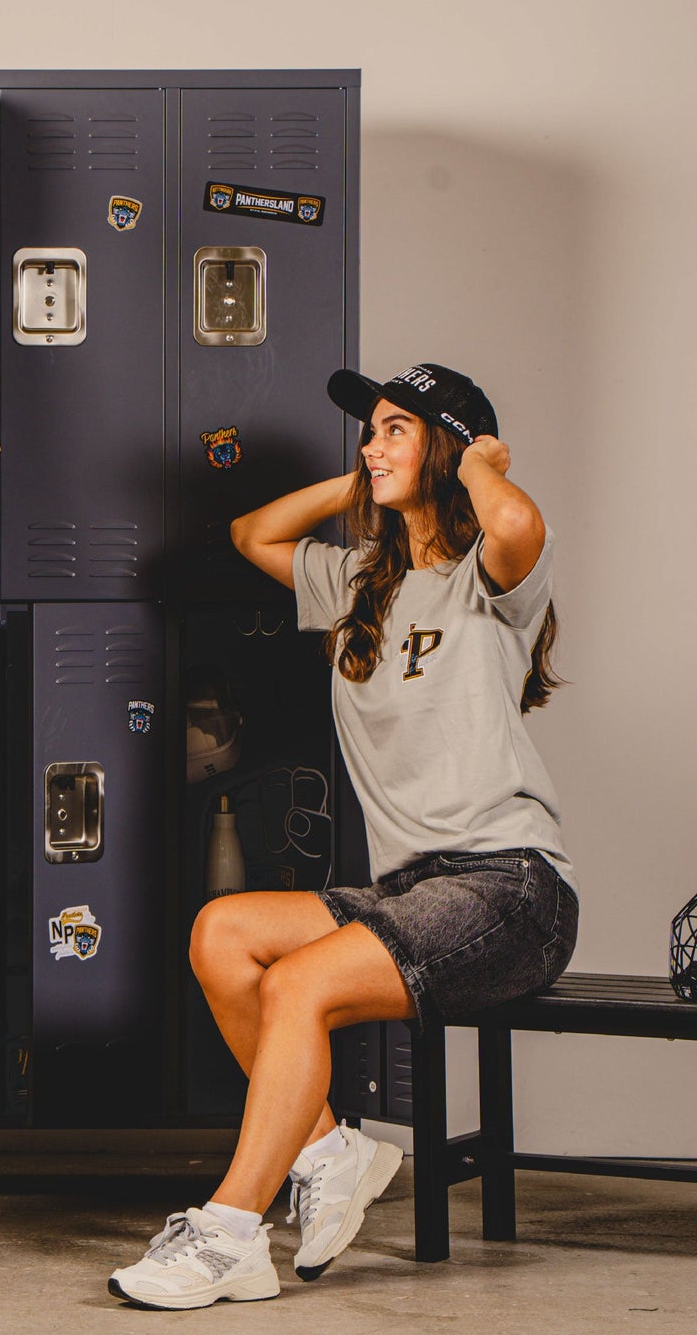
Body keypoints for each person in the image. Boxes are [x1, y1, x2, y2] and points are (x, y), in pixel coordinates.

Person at [107, 364, 573, 1309]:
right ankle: (329, 1151)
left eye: (396, 430)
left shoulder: (490, 577)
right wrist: (365, 486)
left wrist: (478, 462)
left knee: (298, 984)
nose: (370, 443)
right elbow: (253, 535)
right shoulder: (358, 580)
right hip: (408, 893)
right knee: (220, 935)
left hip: (510, 890)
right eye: (370, 430)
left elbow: (517, 525)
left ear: (446, 447)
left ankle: (231, 1229)